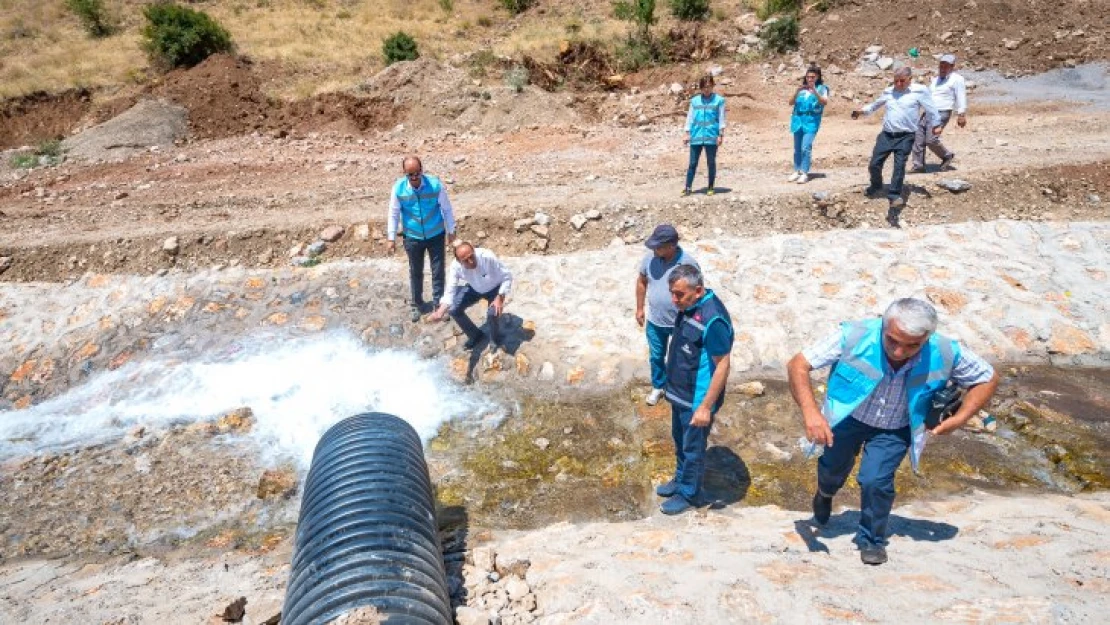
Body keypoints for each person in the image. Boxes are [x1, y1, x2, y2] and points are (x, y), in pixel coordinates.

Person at [786, 298, 999, 565]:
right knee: (832, 469)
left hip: (895, 427)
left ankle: (872, 539)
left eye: (912, 345)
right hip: (847, 418)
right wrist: (811, 413)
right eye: (892, 341)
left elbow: (987, 377)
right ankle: (825, 493)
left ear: (927, 337)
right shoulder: (854, 335)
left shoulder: (945, 350)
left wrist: (961, 418)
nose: (899, 352)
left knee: (875, 480)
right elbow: (798, 365)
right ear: (883, 326)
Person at [656, 264, 734, 515]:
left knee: (693, 448)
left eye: (679, 294)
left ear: (698, 290)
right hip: (679, 392)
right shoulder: (688, 307)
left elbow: (722, 365)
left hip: (696, 399)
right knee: (680, 441)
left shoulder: (713, 319)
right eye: (672, 292)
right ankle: (680, 480)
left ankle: (690, 494)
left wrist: (705, 407)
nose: (673, 299)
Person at [851, 67, 941, 209]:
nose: (898, 84)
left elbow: (931, 109)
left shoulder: (920, 91)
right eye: (896, 81)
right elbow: (876, 104)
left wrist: (936, 124)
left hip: (906, 136)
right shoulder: (889, 91)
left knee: (899, 166)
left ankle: (894, 195)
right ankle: (876, 185)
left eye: (902, 81)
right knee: (874, 164)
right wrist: (861, 111)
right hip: (887, 135)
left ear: (910, 79)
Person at [635, 224, 700, 406]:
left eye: (658, 246)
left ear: (671, 245)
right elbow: (641, 282)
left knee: (680, 357)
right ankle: (658, 386)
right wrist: (640, 308)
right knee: (656, 356)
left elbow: (696, 292)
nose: (654, 249)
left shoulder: (688, 263)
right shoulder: (649, 259)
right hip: (655, 321)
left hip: (680, 321)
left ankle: (680, 389)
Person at [386, 156, 457, 322]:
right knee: (415, 272)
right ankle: (416, 304)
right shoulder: (398, 189)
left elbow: (446, 209)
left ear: (422, 170)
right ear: (404, 173)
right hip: (412, 237)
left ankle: (438, 305)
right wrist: (391, 237)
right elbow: (394, 213)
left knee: (438, 271)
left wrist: (451, 231)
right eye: (410, 174)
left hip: (436, 235)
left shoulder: (435, 185)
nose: (414, 177)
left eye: (417, 173)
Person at [429, 242, 512, 353]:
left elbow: (507, 276)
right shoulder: (455, 266)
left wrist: (500, 297)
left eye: (471, 256)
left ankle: (495, 339)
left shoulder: (487, 256)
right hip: (474, 288)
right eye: (466, 260)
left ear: (473, 250)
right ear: (459, 261)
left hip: (494, 289)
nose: (471, 261)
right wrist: (440, 312)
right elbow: (450, 290)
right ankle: (475, 335)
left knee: (493, 313)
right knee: (454, 310)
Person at [911, 54, 968, 173]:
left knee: (931, 139)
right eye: (941, 65)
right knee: (918, 137)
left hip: (942, 112)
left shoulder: (957, 79)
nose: (942, 68)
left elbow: (961, 96)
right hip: (928, 112)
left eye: (946, 66)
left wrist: (961, 114)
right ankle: (918, 166)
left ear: (952, 67)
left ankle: (947, 155)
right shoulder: (935, 80)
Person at [683, 75, 727, 197]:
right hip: (696, 135)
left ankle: (711, 186)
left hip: (711, 136)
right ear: (700, 88)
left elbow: (722, 119)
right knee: (692, 163)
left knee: (711, 162)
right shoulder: (694, 101)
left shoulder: (719, 100)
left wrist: (720, 135)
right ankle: (688, 187)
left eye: (709, 86)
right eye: (704, 87)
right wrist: (687, 133)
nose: (706, 89)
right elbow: (690, 118)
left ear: (712, 86)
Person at [788, 66, 830, 184]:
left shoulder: (822, 88)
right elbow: (790, 102)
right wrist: (796, 92)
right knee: (797, 148)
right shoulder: (802, 90)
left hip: (811, 120)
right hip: (798, 120)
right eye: (808, 77)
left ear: (817, 77)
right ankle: (797, 170)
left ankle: (805, 172)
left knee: (805, 147)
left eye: (812, 77)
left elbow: (824, 102)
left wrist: (814, 91)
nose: (810, 79)